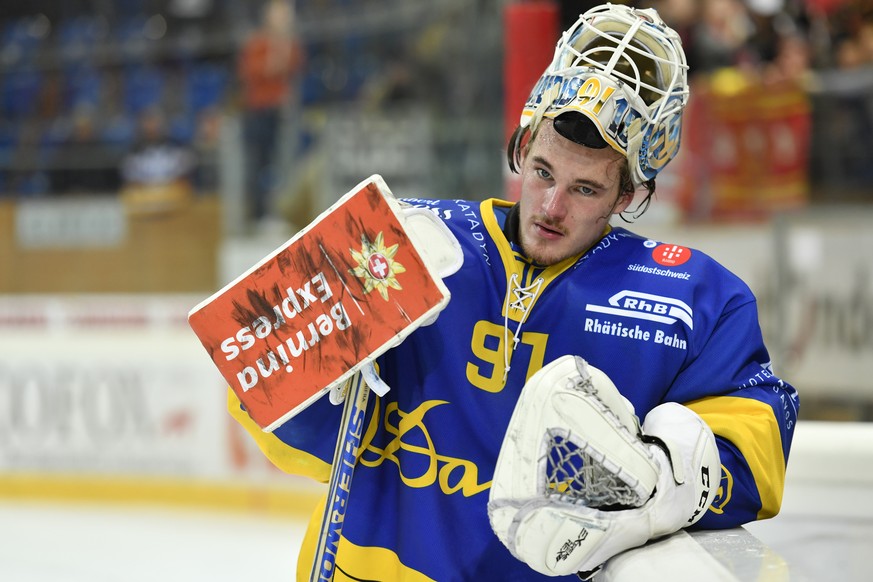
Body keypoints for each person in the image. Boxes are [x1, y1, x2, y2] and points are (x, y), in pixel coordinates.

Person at [229, 4, 798, 580]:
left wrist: (667, 484)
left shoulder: (695, 299)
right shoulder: (404, 239)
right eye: (544, 172)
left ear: (626, 196)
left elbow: (758, 450)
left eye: (584, 188)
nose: (551, 208)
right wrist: (329, 329)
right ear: (523, 146)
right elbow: (250, 378)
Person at [236, 0, 304, 231]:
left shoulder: (290, 43)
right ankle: (257, 214)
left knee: (281, 162)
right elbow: (257, 72)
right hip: (259, 111)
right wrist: (277, 50)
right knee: (259, 163)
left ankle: (280, 209)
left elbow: (295, 68)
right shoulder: (257, 43)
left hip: (281, 112)